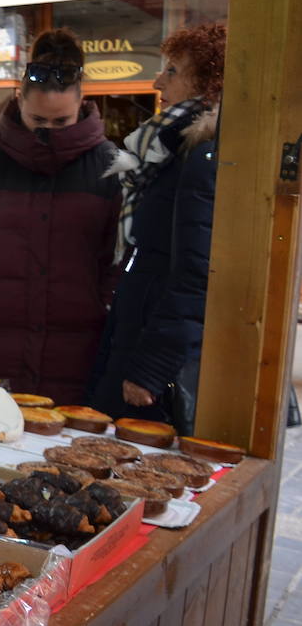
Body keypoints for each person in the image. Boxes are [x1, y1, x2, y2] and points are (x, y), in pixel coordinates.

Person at [0, 29, 120, 406]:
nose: (47, 132)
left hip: (81, 355)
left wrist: (106, 303)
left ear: (83, 101)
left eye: (60, 122)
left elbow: (124, 250)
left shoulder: (110, 167)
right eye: (37, 119)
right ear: (19, 100)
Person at [86, 23, 226, 434]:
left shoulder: (201, 156)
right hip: (138, 325)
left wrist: (150, 367)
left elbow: (196, 273)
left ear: (208, 82)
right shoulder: (171, 149)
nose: (157, 81)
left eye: (172, 71)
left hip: (156, 353)